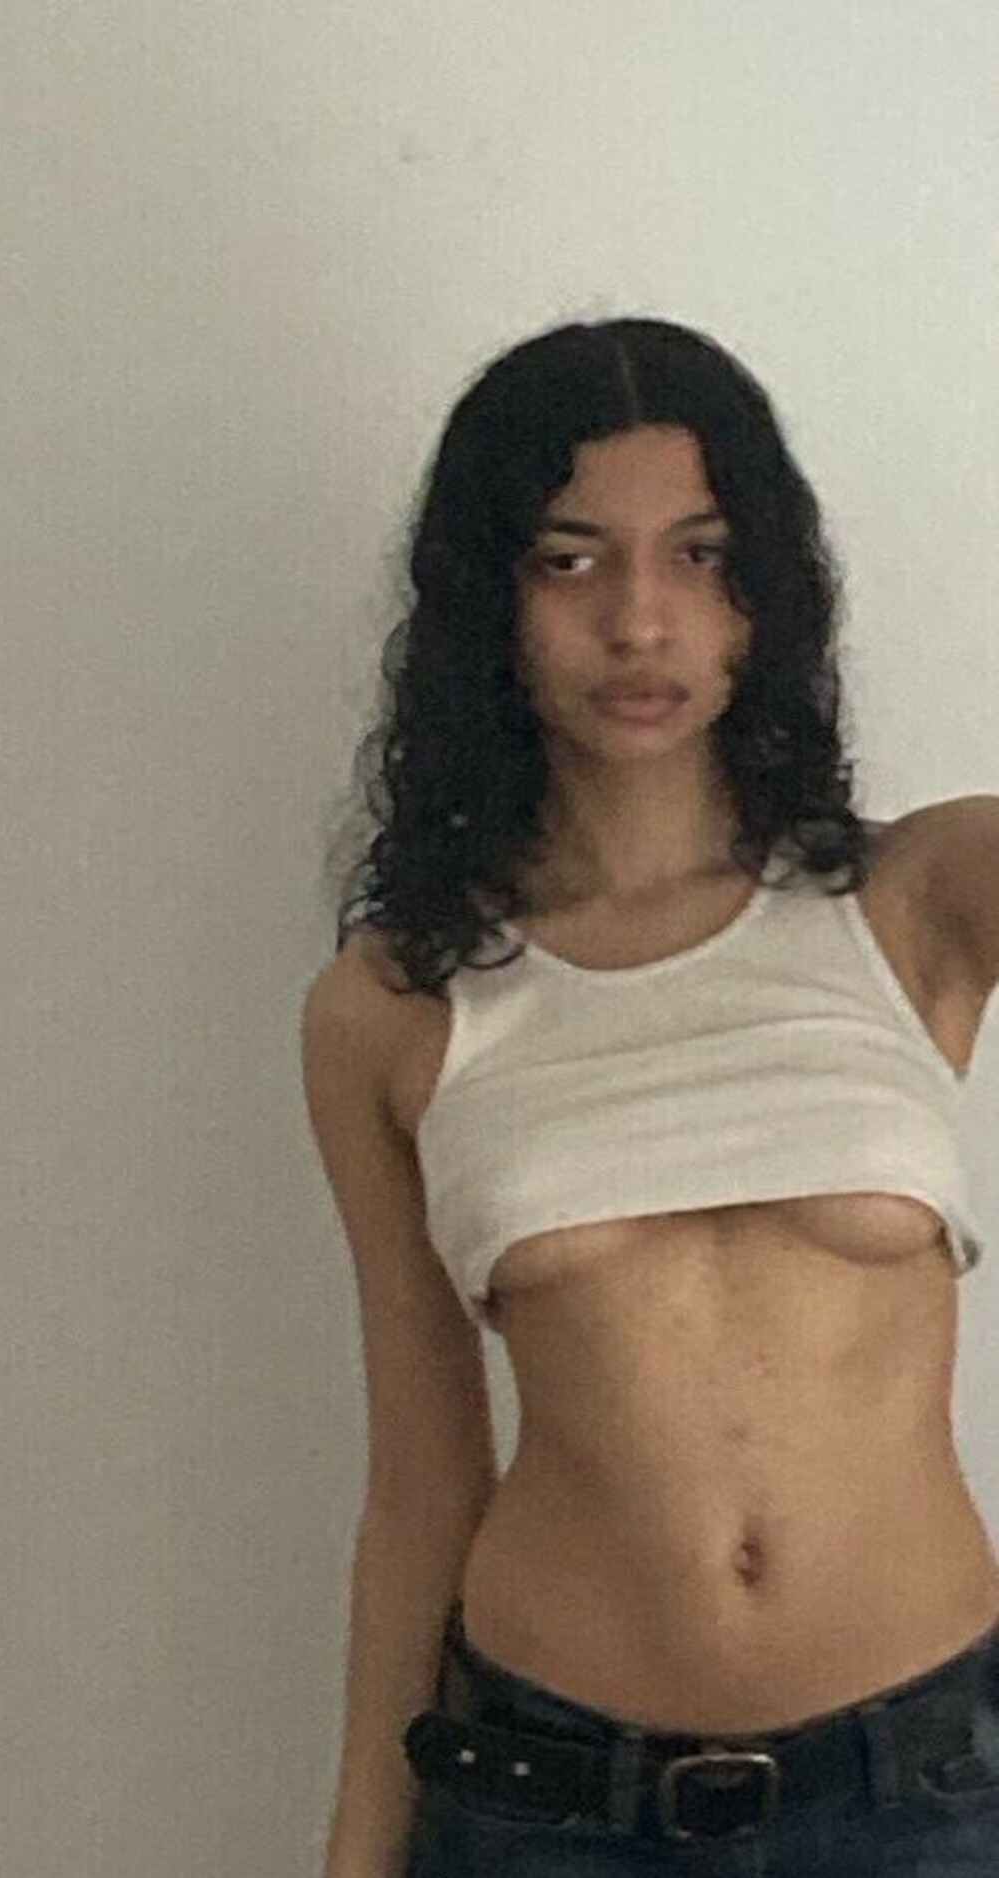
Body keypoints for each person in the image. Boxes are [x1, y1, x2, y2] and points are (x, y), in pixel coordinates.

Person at [301, 317, 999, 1876]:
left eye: (700, 554)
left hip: (925, 1792)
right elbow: (420, 1484)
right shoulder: (394, 1007)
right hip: (549, 1799)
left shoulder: (923, 897)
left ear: (767, 591)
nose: (638, 619)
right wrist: (356, 1850)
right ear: (489, 594)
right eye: (570, 560)